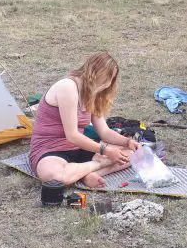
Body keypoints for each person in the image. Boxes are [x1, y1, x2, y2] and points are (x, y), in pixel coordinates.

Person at [29, 52, 140, 206]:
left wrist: (127, 142)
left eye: (111, 79)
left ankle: (87, 174)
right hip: (51, 148)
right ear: (93, 72)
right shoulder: (68, 87)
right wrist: (106, 152)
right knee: (54, 177)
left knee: (132, 154)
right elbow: (72, 135)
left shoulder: (94, 94)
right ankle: (95, 168)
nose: (107, 83)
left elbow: (104, 132)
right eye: (106, 77)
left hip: (80, 148)